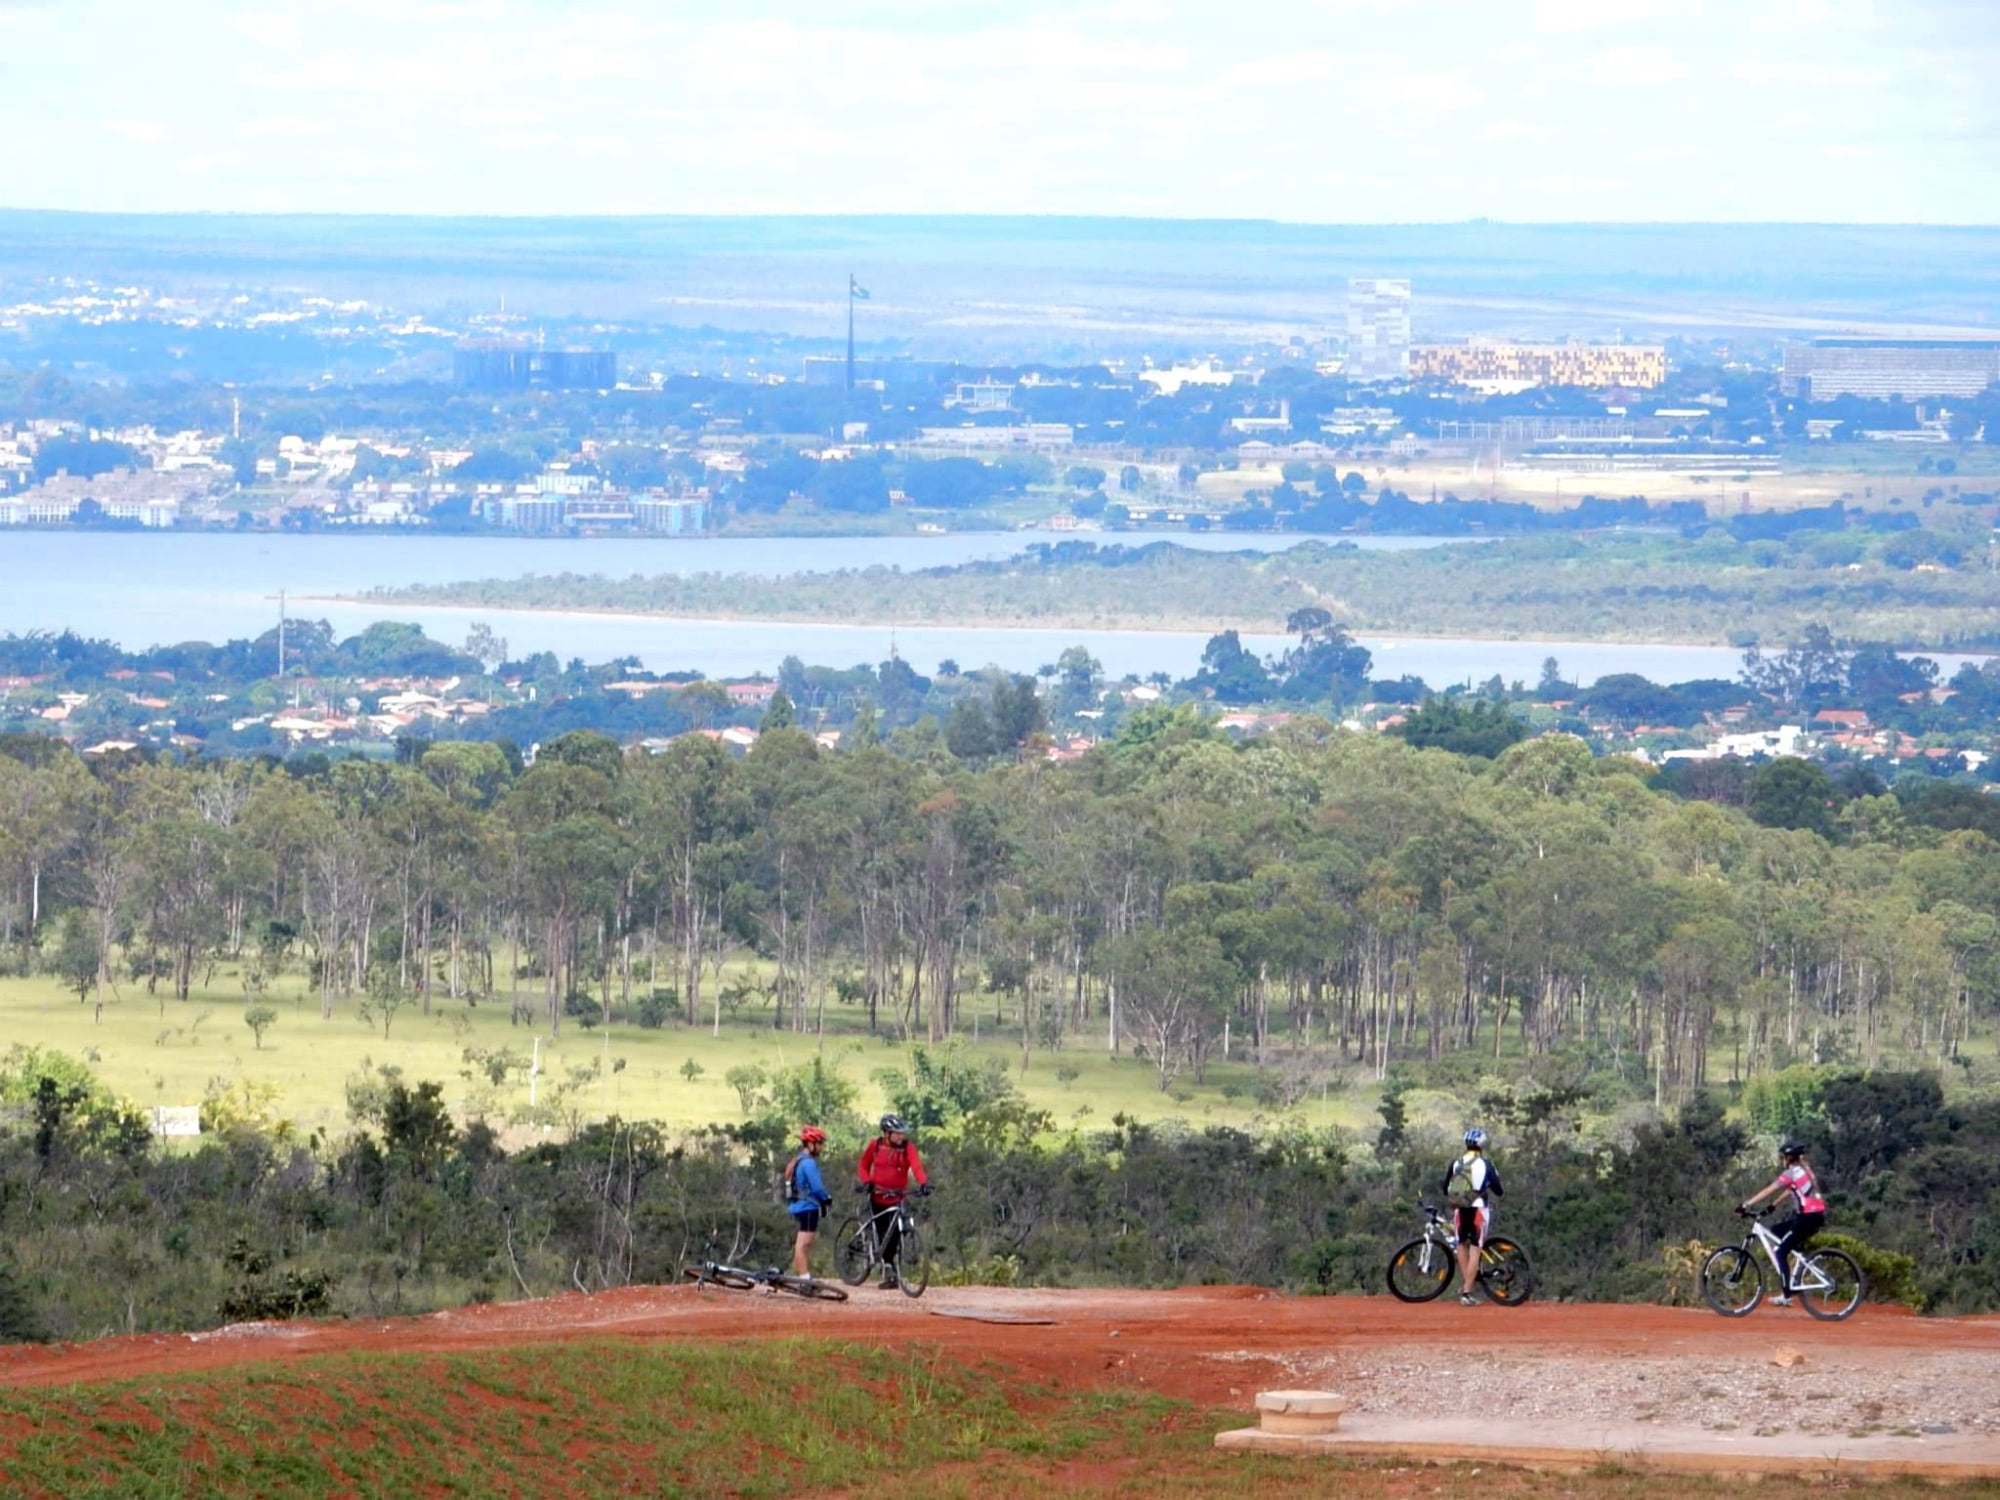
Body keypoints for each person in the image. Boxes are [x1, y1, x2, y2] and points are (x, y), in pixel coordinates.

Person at [1737, 1139, 1827, 1306]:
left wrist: (1746, 1204)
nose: (1781, 1160)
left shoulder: (1791, 1173)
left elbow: (1770, 1189)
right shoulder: (1803, 1170)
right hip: (1813, 1216)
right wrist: (1772, 1206)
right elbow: (1790, 1191)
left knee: (1779, 1252)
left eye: (1782, 1157)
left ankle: (1787, 1294)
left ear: (1788, 1157)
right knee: (1776, 1231)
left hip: (1807, 1218)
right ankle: (1800, 1263)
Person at [857, 1112, 929, 1289]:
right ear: (886, 1133)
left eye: (902, 1133)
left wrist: (923, 1183)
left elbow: (916, 1166)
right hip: (877, 1196)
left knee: (895, 1233)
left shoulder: (907, 1148)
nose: (900, 1136)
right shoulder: (875, 1146)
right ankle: (887, 1267)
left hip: (897, 1196)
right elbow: (863, 1165)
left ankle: (891, 1269)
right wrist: (867, 1182)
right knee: (882, 1233)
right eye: (897, 1133)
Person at [1443, 1127, 1503, 1307]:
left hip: (1459, 1209)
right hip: (1478, 1209)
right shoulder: (1486, 1164)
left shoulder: (1456, 1163)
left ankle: (1466, 1286)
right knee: (1476, 1248)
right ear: (1482, 1145)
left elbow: (1446, 1187)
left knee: (1461, 1245)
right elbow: (1499, 1190)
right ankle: (1467, 1292)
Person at [785, 1126, 833, 1278]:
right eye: (820, 1144)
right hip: (808, 1207)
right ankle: (805, 1278)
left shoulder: (797, 1160)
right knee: (802, 1245)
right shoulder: (809, 1164)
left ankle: (802, 1275)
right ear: (811, 1144)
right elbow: (817, 1187)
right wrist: (826, 1199)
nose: (821, 1148)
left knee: (803, 1244)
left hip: (798, 1206)